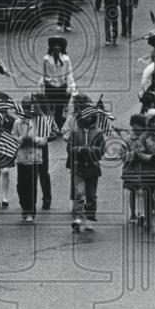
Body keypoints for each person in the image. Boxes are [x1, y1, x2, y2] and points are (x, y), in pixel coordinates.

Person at [66, 99, 106, 232]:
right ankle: (77, 217)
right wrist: (79, 150)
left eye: (89, 115)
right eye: (85, 114)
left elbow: (102, 151)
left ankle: (90, 219)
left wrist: (92, 150)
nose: (87, 117)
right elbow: (69, 149)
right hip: (79, 167)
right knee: (79, 193)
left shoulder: (99, 132)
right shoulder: (75, 130)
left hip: (93, 168)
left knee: (91, 195)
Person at [13, 96, 46, 223]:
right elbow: (13, 136)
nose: (27, 109)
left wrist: (33, 140)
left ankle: (31, 211)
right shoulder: (17, 122)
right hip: (22, 158)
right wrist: (21, 140)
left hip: (34, 158)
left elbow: (44, 140)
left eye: (29, 106)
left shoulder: (39, 122)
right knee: (21, 185)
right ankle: (24, 206)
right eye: (24, 107)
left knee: (31, 185)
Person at [40, 36, 75, 128]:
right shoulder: (47, 59)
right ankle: (50, 127)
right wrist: (43, 85)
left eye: (59, 45)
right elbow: (44, 73)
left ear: (62, 47)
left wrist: (70, 87)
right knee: (49, 108)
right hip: (50, 87)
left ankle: (58, 125)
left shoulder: (66, 59)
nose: (56, 47)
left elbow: (69, 73)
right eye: (55, 45)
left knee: (59, 108)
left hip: (61, 87)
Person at [121, 113, 147, 226]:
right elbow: (122, 154)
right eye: (134, 126)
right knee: (132, 192)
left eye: (139, 126)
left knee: (141, 192)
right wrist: (132, 155)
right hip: (131, 170)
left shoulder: (146, 139)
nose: (136, 128)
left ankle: (141, 213)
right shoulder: (128, 140)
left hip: (143, 170)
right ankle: (132, 214)